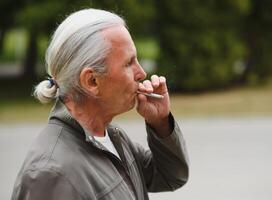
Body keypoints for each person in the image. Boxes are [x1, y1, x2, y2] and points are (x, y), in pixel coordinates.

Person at [11, 9, 189, 200]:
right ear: (92, 81)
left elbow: (170, 176)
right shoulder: (50, 174)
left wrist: (160, 121)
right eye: (129, 63)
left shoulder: (111, 137)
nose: (141, 72)